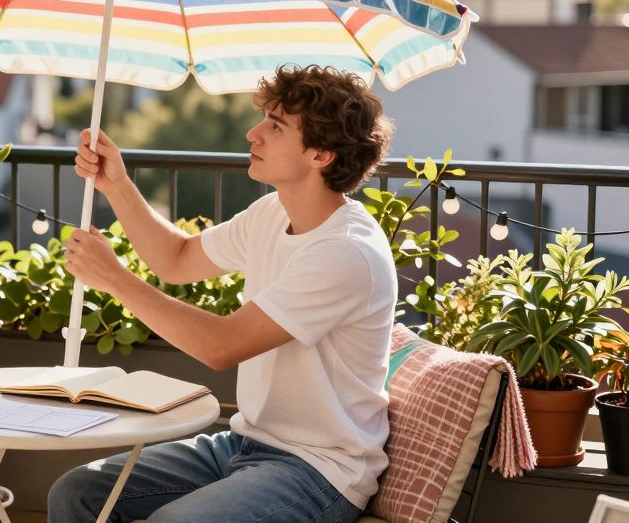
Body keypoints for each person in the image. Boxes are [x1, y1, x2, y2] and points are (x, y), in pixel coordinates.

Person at [50, 65, 397, 523]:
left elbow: (221, 346)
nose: (254, 133)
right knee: (76, 493)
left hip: (319, 470)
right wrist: (117, 184)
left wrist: (114, 278)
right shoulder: (272, 212)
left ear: (321, 155)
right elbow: (176, 259)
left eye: (275, 126)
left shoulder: (346, 253)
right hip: (243, 443)